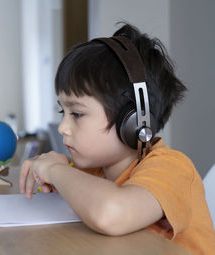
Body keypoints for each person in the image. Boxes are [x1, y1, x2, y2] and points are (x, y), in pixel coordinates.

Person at [19, 23, 215, 255]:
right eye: (63, 112)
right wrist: (50, 172)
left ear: (133, 122)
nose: (63, 127)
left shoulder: (172, 168)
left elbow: (111, 213)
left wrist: (56, 171)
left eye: (77, 114)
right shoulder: (94, 171)